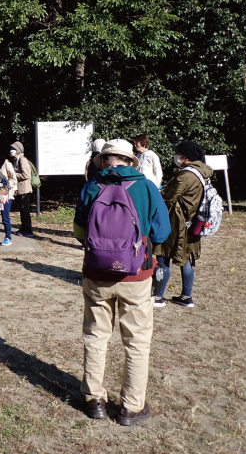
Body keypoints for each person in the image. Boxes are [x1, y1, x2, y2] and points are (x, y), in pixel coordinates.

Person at [73, 139, 170, 426]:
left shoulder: (91, 187)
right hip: (136, 274)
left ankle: (94, 400)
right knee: (137, 341)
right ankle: (131, 407)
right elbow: (162, 232)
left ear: (104, 161)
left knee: (95, 335)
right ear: (131, 161)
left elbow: (80, 231)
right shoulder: (147, 188)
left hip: (97, 273)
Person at [152, 140, 212, 309]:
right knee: (187, 258)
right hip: (193, 222)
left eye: (178, 153)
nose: (176, 156)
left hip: (176, 222)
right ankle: (187, 296)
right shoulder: (203, 173)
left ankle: (158, 296)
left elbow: (167, 198)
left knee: (163, 257)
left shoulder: (186, 175)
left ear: (185, 158)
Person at [10, 141, 35, 238]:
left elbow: (26, 175)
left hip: (24, 189)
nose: (11, 151)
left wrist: (13, 175)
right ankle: (23, 228)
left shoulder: (23, 160)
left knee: (25, 211)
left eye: (13, 149)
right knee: (22, 210)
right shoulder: (17, 160)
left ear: (18, 150)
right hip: (20, 189)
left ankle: (28, 230)